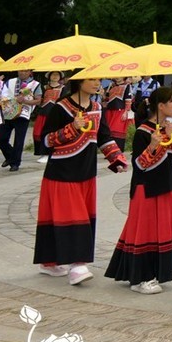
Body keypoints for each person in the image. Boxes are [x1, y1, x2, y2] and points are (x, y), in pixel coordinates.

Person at [34, 77, 128, 285]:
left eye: (99, 80)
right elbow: (46, 141)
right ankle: (77, 265)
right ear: (79, 81)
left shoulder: (96, 107)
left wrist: (116, 158)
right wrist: (71, 128)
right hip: (62, 171)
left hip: (86, 172)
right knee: (75, 218)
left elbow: (104, 136)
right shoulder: (61, 107)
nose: (97, 84)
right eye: (92, 79)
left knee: (83, 216)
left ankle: (49, 262)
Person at [105, 86, 172, 294]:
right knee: (145, 231)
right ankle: (142, 278)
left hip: (167, 186)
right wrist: (152, 146)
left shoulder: (171, 128)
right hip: (146, 189)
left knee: (164, 230)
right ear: (161, 106)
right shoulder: (143, 132)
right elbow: (140, 165)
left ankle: (154, 273)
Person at [0, 69, 42, 172]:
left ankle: (15, 163)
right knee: (1, 138)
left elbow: (38, 101)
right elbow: (3, 93)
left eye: (25, 71)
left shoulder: (35, 84)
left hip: (23, 114)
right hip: (8, 112)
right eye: (21, 70)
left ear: (30, 72)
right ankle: (10, 157)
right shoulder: (11, 81)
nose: (22, 73)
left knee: (19, 140)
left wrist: (25, 100)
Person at [32, 71, 63, 161]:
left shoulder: (63, 88)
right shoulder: (44, 87)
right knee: (39, 132)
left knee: (52, 132)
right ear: (49, 76)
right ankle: (42, 152)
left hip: (55, 113)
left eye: (57, 75)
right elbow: (38, 99)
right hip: (43, 112)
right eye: (53, 75)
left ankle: (50, 152)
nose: (55, 76)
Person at [103, 78, 130, 148]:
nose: (117, 77)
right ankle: (111, 149)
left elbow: (128, 99)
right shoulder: (111, 85)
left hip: (120, 111)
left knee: (118, 130)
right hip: (109, 111)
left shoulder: (127, 86)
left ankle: (119, 150)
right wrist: (102, 94)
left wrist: (126, 111)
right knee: (109, 130)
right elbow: (106, 98)